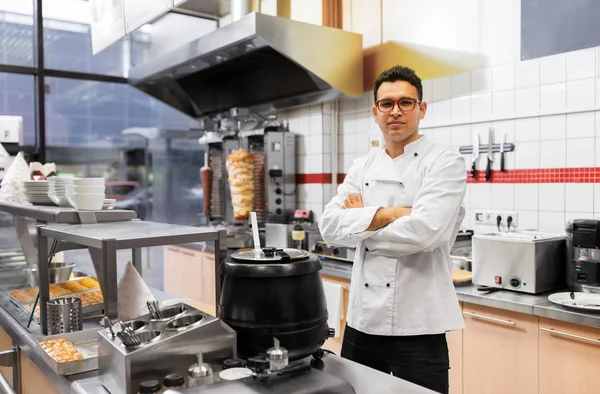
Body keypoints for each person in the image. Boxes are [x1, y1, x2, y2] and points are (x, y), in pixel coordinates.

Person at [318, 65, 466, 394]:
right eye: (386, 104)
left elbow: (426, 232)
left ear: (421, 108)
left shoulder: (444, 161)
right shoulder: (362, 166)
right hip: (362, 323)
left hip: (420, 324)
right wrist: (391, 213)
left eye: (405, 102)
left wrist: (361, 225)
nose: (395, 111)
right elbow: (329, 227)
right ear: (375, 112)